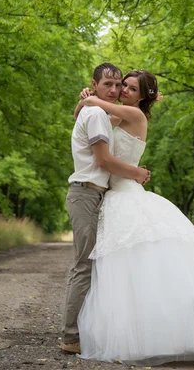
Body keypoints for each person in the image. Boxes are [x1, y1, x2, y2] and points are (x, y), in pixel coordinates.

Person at [75, 69, 194, 366]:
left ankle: (162, 333)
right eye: (123, 86)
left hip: (127, 194)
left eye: (132, 89)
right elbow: (86, 121)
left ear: (142, 97)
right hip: (116, 195)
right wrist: (87, 99)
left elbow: (98, 106)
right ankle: (137, 331)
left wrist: (91, 96)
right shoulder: (121, 115)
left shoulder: (136, 117)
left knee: (141, 266)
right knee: (125, 272)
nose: (123, 91)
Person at [60, 63, 151, 355]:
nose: (117, 90)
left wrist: (89, 98)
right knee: (85, 267)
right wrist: (137, 173)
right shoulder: (100, 113)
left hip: (103, 196)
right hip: (89, 193)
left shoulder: (108, 113)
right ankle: (71, 336)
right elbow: (103, 160)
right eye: (111, 85)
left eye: (123, 86)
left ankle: (101, 330)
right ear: (95, 84)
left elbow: (87, 114)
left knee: (107, 266)